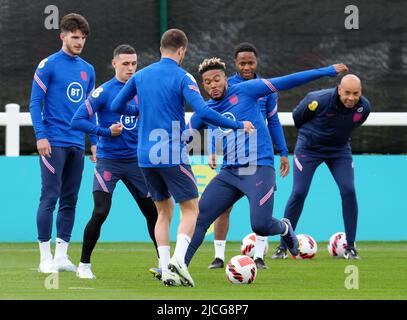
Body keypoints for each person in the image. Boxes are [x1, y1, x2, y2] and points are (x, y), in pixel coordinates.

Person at [111, 29, 254, 287]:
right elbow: (203, 112)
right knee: (191, 209)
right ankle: (178, 260)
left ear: (161, 49)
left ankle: (166, 270)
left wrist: (141, 109)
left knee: (162, 213)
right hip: (170, 152)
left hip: (144, 155)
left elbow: (116, 107)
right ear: (182, 51)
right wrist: (237, 125)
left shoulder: (141, 75)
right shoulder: (182, 76)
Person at [184, 58, 349, 274]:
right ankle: (179, 266)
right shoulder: (206, 109)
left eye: (217, 79)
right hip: (230, 172)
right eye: (207, 82)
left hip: (259, 168)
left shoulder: (247, 90)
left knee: (260, 225)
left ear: (226, 78)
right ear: (203, 86)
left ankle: (284, 227)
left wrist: (326, 71)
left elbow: (288, 81)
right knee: (200, 218)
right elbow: (183, 136)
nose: (213, 85)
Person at [71, 44, 160, 279]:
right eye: (125, 64)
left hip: (137, 163)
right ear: (114, 64)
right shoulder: (103, 92)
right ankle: (84, 265)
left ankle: (166, 263)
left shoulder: (143, 89)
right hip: (109, 162)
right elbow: (77, 120)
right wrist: (104, 132)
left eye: (134, 64)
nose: (130, 68)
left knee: (152, 213)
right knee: (100, 212)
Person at [207, 42, 290, 270]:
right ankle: (218, 256)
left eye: (250, 62)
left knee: (262, 208)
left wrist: (283, 152)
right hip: (233, 154)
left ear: (257, 62)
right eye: (242, 63)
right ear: (235, 63)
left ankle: (260, 256)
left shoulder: (265, 88)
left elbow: (273, 120)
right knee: (223, 207)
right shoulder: (226, 85)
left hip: (259, 154)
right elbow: (214, 118)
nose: (246, 66)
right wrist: (213, 148)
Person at [271, 74, 370, 260]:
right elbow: (297, 117)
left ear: (360, 92)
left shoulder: (364, 107)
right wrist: (313, 136)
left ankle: (351, 247)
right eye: (347, 93)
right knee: (299, 192)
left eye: (355, 93)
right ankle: (283, 247)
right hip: (309, 150)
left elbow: (355, 122)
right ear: (339, 89)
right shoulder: (317, 100)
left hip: (339, 151)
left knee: (348, 190)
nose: (351, 98)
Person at [29, 13, 97, 273]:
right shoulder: (48, 65)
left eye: (83, 38)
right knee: (49, 197)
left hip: (76, 143)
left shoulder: (88, 69)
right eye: (75, 37)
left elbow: (90, 109)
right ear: (63, 36)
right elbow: (36, 103)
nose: (79, 42)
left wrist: (93, 141)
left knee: (70, 199)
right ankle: (44, 259)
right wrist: (40, 135)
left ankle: (61, 257)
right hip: (53, 141)